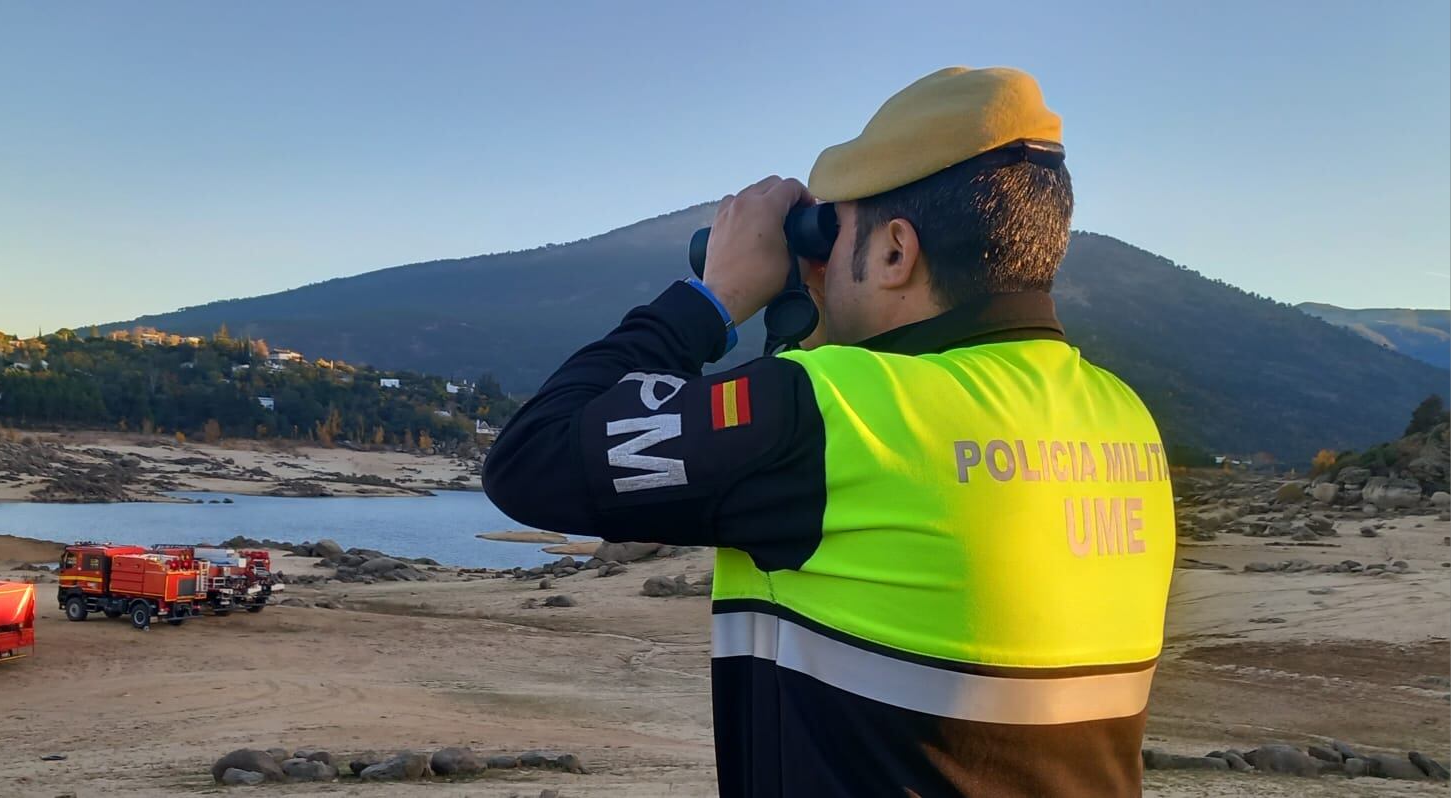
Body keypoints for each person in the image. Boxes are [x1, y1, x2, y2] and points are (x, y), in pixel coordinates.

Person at [483, 66, 1175, 797]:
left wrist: (710, 299)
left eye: (833, 232)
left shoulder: (836, 411)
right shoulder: (1122, 416)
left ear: (893, 252)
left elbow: (533, 458)